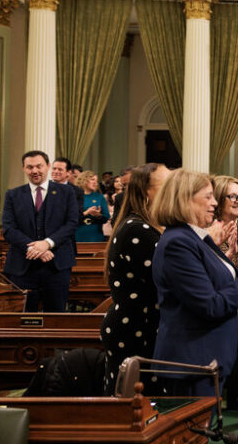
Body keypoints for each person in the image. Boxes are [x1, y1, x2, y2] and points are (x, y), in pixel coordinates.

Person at [150, 170, 238, 396]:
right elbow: (210, 305)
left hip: (207, 358)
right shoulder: (179, 243)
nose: (215, 203)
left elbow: (223, 285)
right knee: (196, 430)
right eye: (208, 197)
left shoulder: (195, 238)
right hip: (192, 362)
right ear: (184, 200)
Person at [101, 163, 170, 394]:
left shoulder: (150, 226)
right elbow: (168, 278)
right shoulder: (137, 230)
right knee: (131, 407)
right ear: (146, 193)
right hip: (134, 329)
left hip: (144, 326)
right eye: (167, 185)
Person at [1, 151, 79, 312]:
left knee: (56, 317)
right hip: (22, 266)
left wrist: (47, 243)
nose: (35, 171)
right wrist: (35, 248)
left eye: (39, 166)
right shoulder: (13, 195)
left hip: (57, 265)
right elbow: (8, 229)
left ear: (48, 166)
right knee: (22, 319)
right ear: (24, 169)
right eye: (30, 167)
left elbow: (71, 224)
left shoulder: (67, 193)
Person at [75, 170, 110, 242]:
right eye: (92, 179)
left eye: (96, 181)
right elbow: (70, 218)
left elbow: (106, 217)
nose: (95, 183)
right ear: (84, 180)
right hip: (77, 235)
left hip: (96, 236)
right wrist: (86, 212)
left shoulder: (100, 197)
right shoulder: (74, 196)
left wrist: (98, 215)